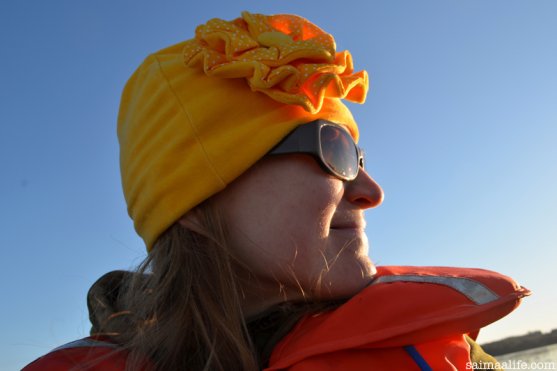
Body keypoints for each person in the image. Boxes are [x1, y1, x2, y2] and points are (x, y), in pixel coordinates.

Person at [23, 11, 529, 371]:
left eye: (360, 157)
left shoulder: (451, 356)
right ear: (196, 206)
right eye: (335, 149)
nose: (371, 191)